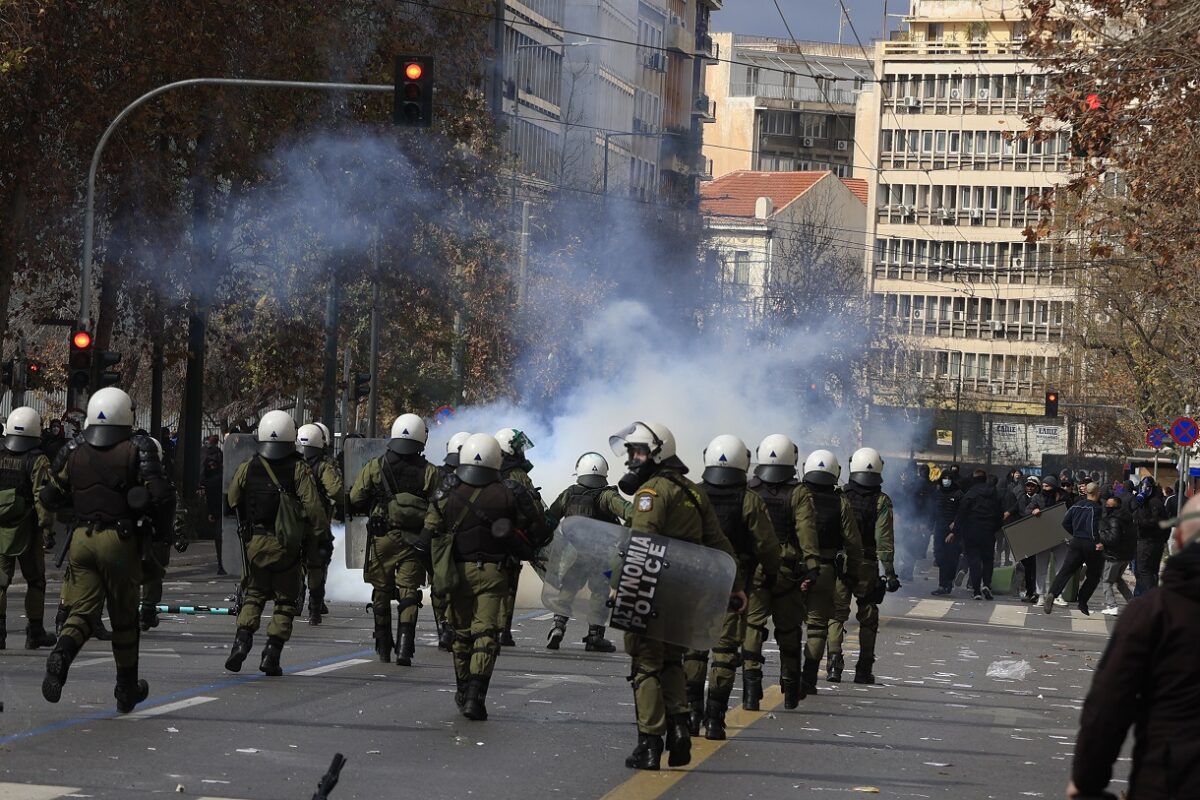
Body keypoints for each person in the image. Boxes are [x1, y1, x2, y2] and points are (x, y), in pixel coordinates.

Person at [609, 421, 744, 771]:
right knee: (671, 661)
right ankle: (681, 728)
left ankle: (650, 744)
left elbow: (640, 544)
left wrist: (621, 585)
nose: (632, 460)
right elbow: (719, 544)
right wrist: (737, 585)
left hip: (650, 590)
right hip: (687, 594)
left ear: (658, 452)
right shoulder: (693, 491)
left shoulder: (650, 494)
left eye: (638, 452)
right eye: (630, 452)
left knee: (645, 665)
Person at [40, 388, 175, 712]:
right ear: (126, 414)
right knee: (124, 619)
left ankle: (61, 655)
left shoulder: (73, 449)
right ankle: (126, 689)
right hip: (120, 540)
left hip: (82, 539)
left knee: (82, 612)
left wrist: (82, 500)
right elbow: (161, 496)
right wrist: (158, 532)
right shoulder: (138, 447)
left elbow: (49, 496)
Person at [1066, 493, 1200, 800]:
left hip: (1170, 780)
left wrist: (1087, 783)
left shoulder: (1154, 613)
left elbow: (1109, 704)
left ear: (1177, 537)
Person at [423, 433, 551, 721]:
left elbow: (429, 530)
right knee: (486, 634)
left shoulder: (448, 490)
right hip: (495, 573)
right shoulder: (511, 491)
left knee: (461, 634)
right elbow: (541, 529)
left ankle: (462, 687)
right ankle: (475, 696)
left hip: (457, 572)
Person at [685, 435, 779, 740]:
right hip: (732, 585)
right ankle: (715, 719)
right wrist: (775, 576)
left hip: (694, 582)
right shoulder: (750, 499)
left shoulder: (692, 495)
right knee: (725, 651)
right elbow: (766, 545)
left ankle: (692, 713)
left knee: (694, 649)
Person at [224, 410, 325, 676]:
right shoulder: (300, 468)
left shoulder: (249, 466)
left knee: (254, 594)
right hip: (286, 546)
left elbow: (232, 499)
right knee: (285, 601)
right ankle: (271, 653)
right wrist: (319, 538)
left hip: (255, 544)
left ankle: (241, 643)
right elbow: (314, 508)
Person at [348, 414, 441, 665]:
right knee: (409, 591)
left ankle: (382, 646)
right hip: (415, 540)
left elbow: (356, 497)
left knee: (380, 590)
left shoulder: (376, 466)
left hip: (383, 538)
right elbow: (440, 506)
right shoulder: (430, 472)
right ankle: (404, 647)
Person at [741, 434, 806, 713]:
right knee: (789, 630)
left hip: (755, 569)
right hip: (787, 571)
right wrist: (810, 567)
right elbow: (807, 532)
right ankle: (790, 688)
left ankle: (751, 691)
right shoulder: (799, 492)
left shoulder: (750, 489)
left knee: (753, 627)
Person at [543, 451, 631, 652]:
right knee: (600, 592)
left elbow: (549, 518)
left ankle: (558, 626)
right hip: (602, 557)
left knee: (568, 588)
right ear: (604, 472)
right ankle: (594, 636)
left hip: (573, 554)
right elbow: (629, 512)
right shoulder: (608, 495)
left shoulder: (569, 493)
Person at [796, 449, 864, 697]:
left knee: (788, 625)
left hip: (794, 568)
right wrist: (852, 573)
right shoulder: (840, 501)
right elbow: (853, 543)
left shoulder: (795, 496)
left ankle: (787, 677)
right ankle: (809, 679)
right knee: (817, 626)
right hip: (825, 570)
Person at [828, 447, 898, 685]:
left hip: (841, 563)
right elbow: (884, 540)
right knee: (868, 616)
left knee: (836, 615)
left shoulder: (840, 496)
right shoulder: (881, 501)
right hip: (867, 565)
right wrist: (889, 574)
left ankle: (834, 664)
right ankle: (863, 668)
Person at [0, 407, 57, 650]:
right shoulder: (38, 459)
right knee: (36, 581)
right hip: (27, 529)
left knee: (1, 582)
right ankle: (34, 631)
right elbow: (42, 497)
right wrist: (48, 530)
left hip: (1, 530)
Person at [494, 427, 548, 647]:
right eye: (517, 448)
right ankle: (503, 631)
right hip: (513, 535)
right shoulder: (518, 475)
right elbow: (533, 508)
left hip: (486, 534)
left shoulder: (485, 469)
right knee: (508, 584)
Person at [296, 423, 343, 626]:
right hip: (316, 523)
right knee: (317, 564)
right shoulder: (324, 466)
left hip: (290, 523)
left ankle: (294, 601)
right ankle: (315, 608)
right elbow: (335, 491)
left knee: (295, 563)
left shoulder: (291, 464)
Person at [431, 431, 470, 651]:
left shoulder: (438, 475)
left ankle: (445, 625)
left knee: (440, 584)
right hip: (465, 540)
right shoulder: (480, 479)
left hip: (441, 540)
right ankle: (455, 626)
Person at [1043, 482, 1104, 615]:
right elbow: (1093, 526)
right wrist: (1097, 541)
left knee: (1066, 570)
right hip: (1090, 543)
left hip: (1076, 541)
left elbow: (1065, 522)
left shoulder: (1076, 505)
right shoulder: (1096, 508)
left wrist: (1074, 532)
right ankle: (1082, 600)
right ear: (1097, 493)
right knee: (1094, 574)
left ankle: (1053, 593)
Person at [138, 438, 180, 631]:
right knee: (153, 576)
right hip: (156, 538)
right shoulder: (162, 484)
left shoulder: (127, 479)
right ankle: (146, 611)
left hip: (129, 536)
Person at [953, 469, 1003, 601]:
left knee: (974, 561)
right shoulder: (994, 493)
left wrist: (956, 532)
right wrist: (994, 528)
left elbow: (961, 513)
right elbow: (1000, 514)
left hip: (972, 531)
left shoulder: (970, 493)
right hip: (988, 531)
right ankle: (986, 584)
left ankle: (976, 591)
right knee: (988, 560)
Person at [1031, 475, 1071, 604]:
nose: (1044, 488)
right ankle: (1041, 595)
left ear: (1053, 487)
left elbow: (1070, 513)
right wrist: (1033, 510)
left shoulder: (1064, 498)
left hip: (1060, 536)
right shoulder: (1037, 498)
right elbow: (1027, 510)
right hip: (1043, 537)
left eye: (1047, 486)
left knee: (1061, 567)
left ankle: (1057, 594)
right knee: (1041, 568)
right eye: (1043, 486)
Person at [1099, 493, 1135, 616]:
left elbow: (1113, 539)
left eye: (1109, 505)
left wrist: (1101, 535)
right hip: (1126, 556)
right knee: (1118, 580)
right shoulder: (1128, 519)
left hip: (1114, 555)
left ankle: (1112, 605)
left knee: (1107, 581)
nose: (1106, 507)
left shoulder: (1114, 520)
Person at [1132, 476, 1168, 594]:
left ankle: (1153, 597)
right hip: (1152, 541)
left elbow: (1156, 521)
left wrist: (1140, 523)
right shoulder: (1149, 501)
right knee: (1151, 571)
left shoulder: (1155, 502)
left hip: (1148, 541)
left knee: (1144, 570)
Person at [930, 471, 963, 596]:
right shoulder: (937, 494)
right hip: (939, 530)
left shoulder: (958, 494)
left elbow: (962, 512)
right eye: (944, 478)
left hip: (953, 532)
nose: (946, 481)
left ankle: (945, 583)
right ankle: (944, 583)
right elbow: (932, 511)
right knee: (939, 557)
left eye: (949, 478)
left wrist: (955, 527)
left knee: (951, 558)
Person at [199, 434, 225, 575]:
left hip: (212, 490)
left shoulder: (203, 452)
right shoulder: (219, 453)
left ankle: (222, 563)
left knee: (219, 534)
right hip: (220, 493)